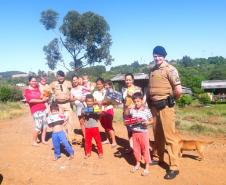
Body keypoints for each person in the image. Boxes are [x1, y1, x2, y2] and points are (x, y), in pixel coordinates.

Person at [147, 46, 182, 180]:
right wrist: (147, 101)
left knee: (170, 137)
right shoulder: (152, 70)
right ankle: (158, 157)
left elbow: (178, 90)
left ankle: (174, 167)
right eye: (155, 55)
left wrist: (170, 101)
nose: (157, 58)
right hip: (154, 107)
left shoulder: (171, 70)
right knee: (157, 134)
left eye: (159, 55)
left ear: (164, 56)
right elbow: (149, 88)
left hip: (166, 107)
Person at [125, 92, 153, 176]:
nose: (137, 103)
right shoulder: (132, 110)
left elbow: (152, 120)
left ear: (142, 101)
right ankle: (137, 163)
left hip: (143, 133)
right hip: (134, 133)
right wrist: (127, 107)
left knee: (145, 149)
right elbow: (126, 115)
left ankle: (147, 167)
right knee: (136, 150)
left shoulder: (146, 110)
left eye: (138, 101)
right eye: (135, 101)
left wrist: (147, 123)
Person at [50, 70, 77, 144]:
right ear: (57, 77)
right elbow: (48, 91)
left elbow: (74, 90)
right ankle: (64, 138)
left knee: (70, 121)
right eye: (59, 76)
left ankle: (71, 137)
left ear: (64, 76)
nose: (60, 77)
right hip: (58, 105)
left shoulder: (69, 83)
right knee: (61, 122)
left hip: (67, 104)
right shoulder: (53, 84)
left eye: (62, 76)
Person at [24, 76, 48, 146]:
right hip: (36, 110)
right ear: (29, 82)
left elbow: (43, 94)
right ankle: (34, 142)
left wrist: (46, 104)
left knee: (45, 125)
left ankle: (43, 140)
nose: (34, 82)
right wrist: (41, 100)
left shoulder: (38, 88)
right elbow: (30, 100)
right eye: (32, 81)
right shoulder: (27, 90)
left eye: (35, 81)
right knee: (38, 126)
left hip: (43, 108)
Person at [93, 78, 117, 147]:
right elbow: (93, 102)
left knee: (109, 126)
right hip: (99, 111)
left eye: (100, 84)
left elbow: (112, 101)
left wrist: (103, 102)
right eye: (97, 84)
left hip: (108, 110)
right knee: (104, 126)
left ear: (103, 84)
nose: (98, 85)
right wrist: (97, 110)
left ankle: (114, 141)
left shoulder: (108, 91)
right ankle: (107, 139)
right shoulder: (95, 93)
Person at [122, 73, 142, 153]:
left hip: (135, 113)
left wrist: (132, 95)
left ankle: (139, 148)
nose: (128, 81)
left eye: (129, 79)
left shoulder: (138, 89)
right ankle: (131, 147)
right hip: (126, 113)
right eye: (126, 80)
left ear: (133, 80)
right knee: (129, 130)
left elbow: (141, 101)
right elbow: (123, 101)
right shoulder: (123, 89)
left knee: (137, 130)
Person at [81, 94, 103, 159]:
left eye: (91, 101)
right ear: (85, 101)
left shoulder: (95, 108)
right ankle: (88, 153)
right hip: (87, 127)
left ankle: (100, 152)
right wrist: (85, 113)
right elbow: (82, 114)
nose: (89, 103)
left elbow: (99, 113)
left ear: (93, 102)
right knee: (87, 141)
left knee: (98, 140)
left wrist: (99, 107)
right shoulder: (84, 108)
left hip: (94, 127)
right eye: (88, 101)